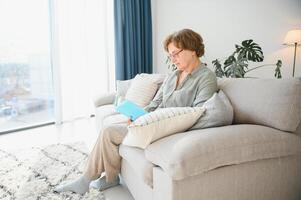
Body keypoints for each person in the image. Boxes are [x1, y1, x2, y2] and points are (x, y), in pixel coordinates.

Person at [54, 28, 218, 194]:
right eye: (170, 55)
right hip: (152, 122)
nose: (173, 59)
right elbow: (155, 103)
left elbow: (198, 112)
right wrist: (138, 116)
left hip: (169, 128)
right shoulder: (172, 76)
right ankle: (107, 178)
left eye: (176, 53)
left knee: (110, 131)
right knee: (109, 130)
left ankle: (87, 181)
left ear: (192, 49)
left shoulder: (206, 77)